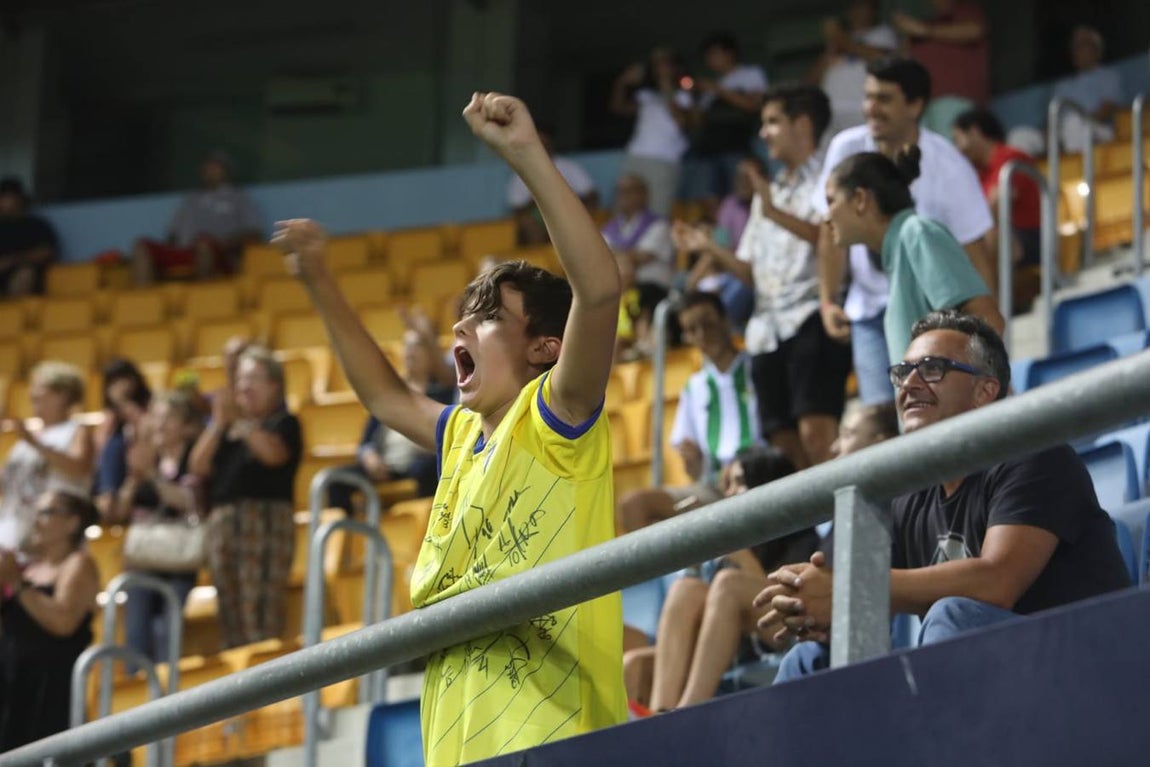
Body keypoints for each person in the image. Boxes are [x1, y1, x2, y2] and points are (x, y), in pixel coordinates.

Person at [274, 91, 625, 765]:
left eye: (489, 314)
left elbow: (600, 290)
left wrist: (524, 154)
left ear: (545, 347)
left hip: (552, 736)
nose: (461, 325)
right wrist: (319, 278)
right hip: (455, 739)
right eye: (463, 313)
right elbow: (383, 395)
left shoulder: (558, 415)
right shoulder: (460, 434)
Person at [758, 311, 1132, 680]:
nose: (910, 384)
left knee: (952, 615)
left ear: (985, 391)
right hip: (995, 676)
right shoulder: (905, 493)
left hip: (1085, 667)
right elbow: (869, 604)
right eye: (902, 373)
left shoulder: (1036, 454)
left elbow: (996, 582)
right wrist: (820, 607)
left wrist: (849, 587)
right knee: (809, 659)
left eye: (932, 368)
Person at [676, 84, 850, 469]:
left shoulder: (833, 177)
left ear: (802, 125)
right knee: (782, 442)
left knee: (817, 432)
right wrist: (709, 248)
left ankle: (836, 525)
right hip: (765, 330)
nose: (763, 133)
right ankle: (808, 528)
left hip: (811, 318)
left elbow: (832, 237)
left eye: (772, 121)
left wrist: (774, 213)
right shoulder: (767, 195)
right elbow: (752, 274)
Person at [814, 57, 994, 405]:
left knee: (925, 414)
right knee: (891, 419)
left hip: (929, 314)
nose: (870, 108)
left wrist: (990, 367)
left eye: (883, 99)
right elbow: (829, 236)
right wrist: (827, 299)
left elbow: (976, 262)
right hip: (866, 310)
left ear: (915, 105)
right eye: (867, 97)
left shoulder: (942, 180)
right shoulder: (844, 148)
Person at [624, 445, 816, 713]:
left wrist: (732, 546)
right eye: (728, 484)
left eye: (739, 482)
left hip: (791, 630)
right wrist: (697, 546)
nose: (729, 493)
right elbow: (699, 606)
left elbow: (784, 601)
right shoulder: (738, 536)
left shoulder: (801, 536)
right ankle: (661, 712)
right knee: (684, 590)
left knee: (728, 584)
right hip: (732, 645)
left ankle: (687, 713)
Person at [823, 147, 1004, 365]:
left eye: (831, 201)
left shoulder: (917, 233)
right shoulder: (899, 247)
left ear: (860, 199)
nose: (826, 217)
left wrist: (957, 390)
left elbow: (987, 320)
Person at [616, 292, 760, 533]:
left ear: (725, 320)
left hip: (761, 478)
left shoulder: (758, 370)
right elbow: (693, 472)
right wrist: (692, 462)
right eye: (692, 329)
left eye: (708, 323)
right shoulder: (694, 388)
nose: (703, 335)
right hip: (715, 488)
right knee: (633, 505)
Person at [188, 346, 302, 648]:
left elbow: (274, 456)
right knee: (230, 613)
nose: (244, 387)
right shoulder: (227, 428)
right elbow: (198, 465)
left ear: (275, 385)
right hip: (224, 524)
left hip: (264, 523)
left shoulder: (284, 422)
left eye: (253, 379)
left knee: (259, 611)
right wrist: (218, 423)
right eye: (240, 380)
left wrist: (243, 423)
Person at [0, 491, 100, 750]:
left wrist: (17, 585)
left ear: (72, 523)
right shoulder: (29, 569)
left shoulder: (78, 564)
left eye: (46, 512)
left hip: (50, 692)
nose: (36, 520)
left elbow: (64, 622)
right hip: (12, 686)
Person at [113, 390, 207, 665]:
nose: (159, 424)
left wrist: (152, 476)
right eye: (156, 417)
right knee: (136, 636)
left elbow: (189, 501)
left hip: (179, 563)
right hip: (143, 562)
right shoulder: (146, 460)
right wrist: (133, 478)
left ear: (187, 426)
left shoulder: (195, 459)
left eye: (167, 418)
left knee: (169, 636)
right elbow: (119, 511)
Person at [327, 328, 457, 513]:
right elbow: (366, 443)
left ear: (431, 353)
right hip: (385, 464)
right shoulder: (391, 392)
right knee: (335, 480)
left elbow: (449, 434)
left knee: (429, 468)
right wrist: (370, 457)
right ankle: (348, 537)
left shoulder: (442, 391)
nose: (410, 352)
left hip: (419, 463)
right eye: (407, 346)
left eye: (417, 346)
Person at [952, 108, 1043, 311]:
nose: (958, 149)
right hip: (1006, 238)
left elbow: (995, 206)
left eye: (958, 139)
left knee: (987, 235)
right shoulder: (978, 173)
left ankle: (994, 310)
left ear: (974, 132)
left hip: (1032, 238)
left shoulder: (1010, 157)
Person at [0, 362, 94, 553]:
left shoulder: (76, 430)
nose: (32, 393)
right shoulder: (26, 438)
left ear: (63, 395)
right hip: (13, 529)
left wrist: (35, 443)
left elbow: (78, 468)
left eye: (40, 387)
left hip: (53, 536)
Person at [131, 151, 263, 285]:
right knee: (141, 246)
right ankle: (144, 301)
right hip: (186, 251)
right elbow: (172, 234)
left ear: (226, 170)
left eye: (215, 166)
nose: (210, 170)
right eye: (208, 167)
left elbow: (254, 233)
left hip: (220, 253)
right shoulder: (191, 199)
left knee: (203, 244)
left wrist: (226, 243)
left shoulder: (239, 197)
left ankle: (202, 296)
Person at [611, 47, 693, 217]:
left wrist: (666, 84)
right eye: (656, 64)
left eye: (665, 63)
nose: (660, 68)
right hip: (635, 155)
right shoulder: (646, 95)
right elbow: (618, 108)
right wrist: (622, 82)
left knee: (657, 213)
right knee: (622, 211)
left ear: (675, 67)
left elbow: (683, 122)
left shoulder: (685, 95)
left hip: (664, 160)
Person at [689, 33, 769, 199]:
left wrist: (718, 90)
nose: (711, 59)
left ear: (729, 53)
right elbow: (697, 122)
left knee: (742, 194)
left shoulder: (749, 74)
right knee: (711, 198)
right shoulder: (709, 87)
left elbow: (753, 106)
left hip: (737, 146)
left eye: (714, 53)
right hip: (710, 150)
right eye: (708, 56)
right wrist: (694, 98)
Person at [602, 173, 675, 353]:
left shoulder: (659, 225)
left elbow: (640, 257)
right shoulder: (609, 228)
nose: (625, 195)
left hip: (653, 290)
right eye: (621, 191)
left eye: (631, 190)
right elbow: (600, 259)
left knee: (640, 296)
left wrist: (615, 256)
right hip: (620, 291)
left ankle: (644, 344)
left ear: (644, 194)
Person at [892, 0, 989, 135]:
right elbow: (903, 58)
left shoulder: (965, 10)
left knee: (949, 150)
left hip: (953, 99)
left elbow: (974, 30)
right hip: (922, 104)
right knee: (926, 152)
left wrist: (924, 30)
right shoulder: (928, 22)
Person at [807, 0, 898, 137]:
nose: (856, 11)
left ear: (873, 9)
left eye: (861, 5)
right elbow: (810, 83)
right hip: (830, 113)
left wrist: (840, 38)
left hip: (861, 109)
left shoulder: (882, 33)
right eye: (853, 6)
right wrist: (831, 48)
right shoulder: (839, 41)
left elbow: (882, 59)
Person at [507, 127, 599, 246]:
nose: (542, 147)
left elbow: (591, 194)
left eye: (546, 144)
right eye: (538, 143)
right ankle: (540, 258)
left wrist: (569, 200)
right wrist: (539, 199)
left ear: (552, 144)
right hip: (538, 215)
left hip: (569, 212)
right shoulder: (521, 172)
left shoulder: (568, 167)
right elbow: (517, 209)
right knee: (527, 222)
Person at [93, 358, 154, 521]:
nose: (118, 386)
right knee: (112, 447)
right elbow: (99, 448)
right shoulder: (110, 417)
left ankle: (109, 501)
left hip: (141, 461)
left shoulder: (149, 406)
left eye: (123, 379)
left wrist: (124, 403)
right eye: (113, 382)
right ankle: (107, 499)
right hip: (116, 471)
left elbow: (146, 434)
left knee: (116, 446)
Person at [1050, 26, 1124, 152]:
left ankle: (1076, 171)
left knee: (1073, 124)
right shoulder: (1062, 86)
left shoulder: (1108, 76)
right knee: (1021, 136)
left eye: (1082, 45)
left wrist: (1079, 122)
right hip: (1064, 133)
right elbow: (1054, 121)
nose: (1076, 50)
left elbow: (1108, 109)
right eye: (1074, 46)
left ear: (1097, 51)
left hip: (1099, 130)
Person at [0, 177, 58, 299]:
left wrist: (11, 261)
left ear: (18, 199)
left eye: (4, 197)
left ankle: (12, 314)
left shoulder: (36, 225)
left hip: (23, 276)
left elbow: (46, 252)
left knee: (25, 273)